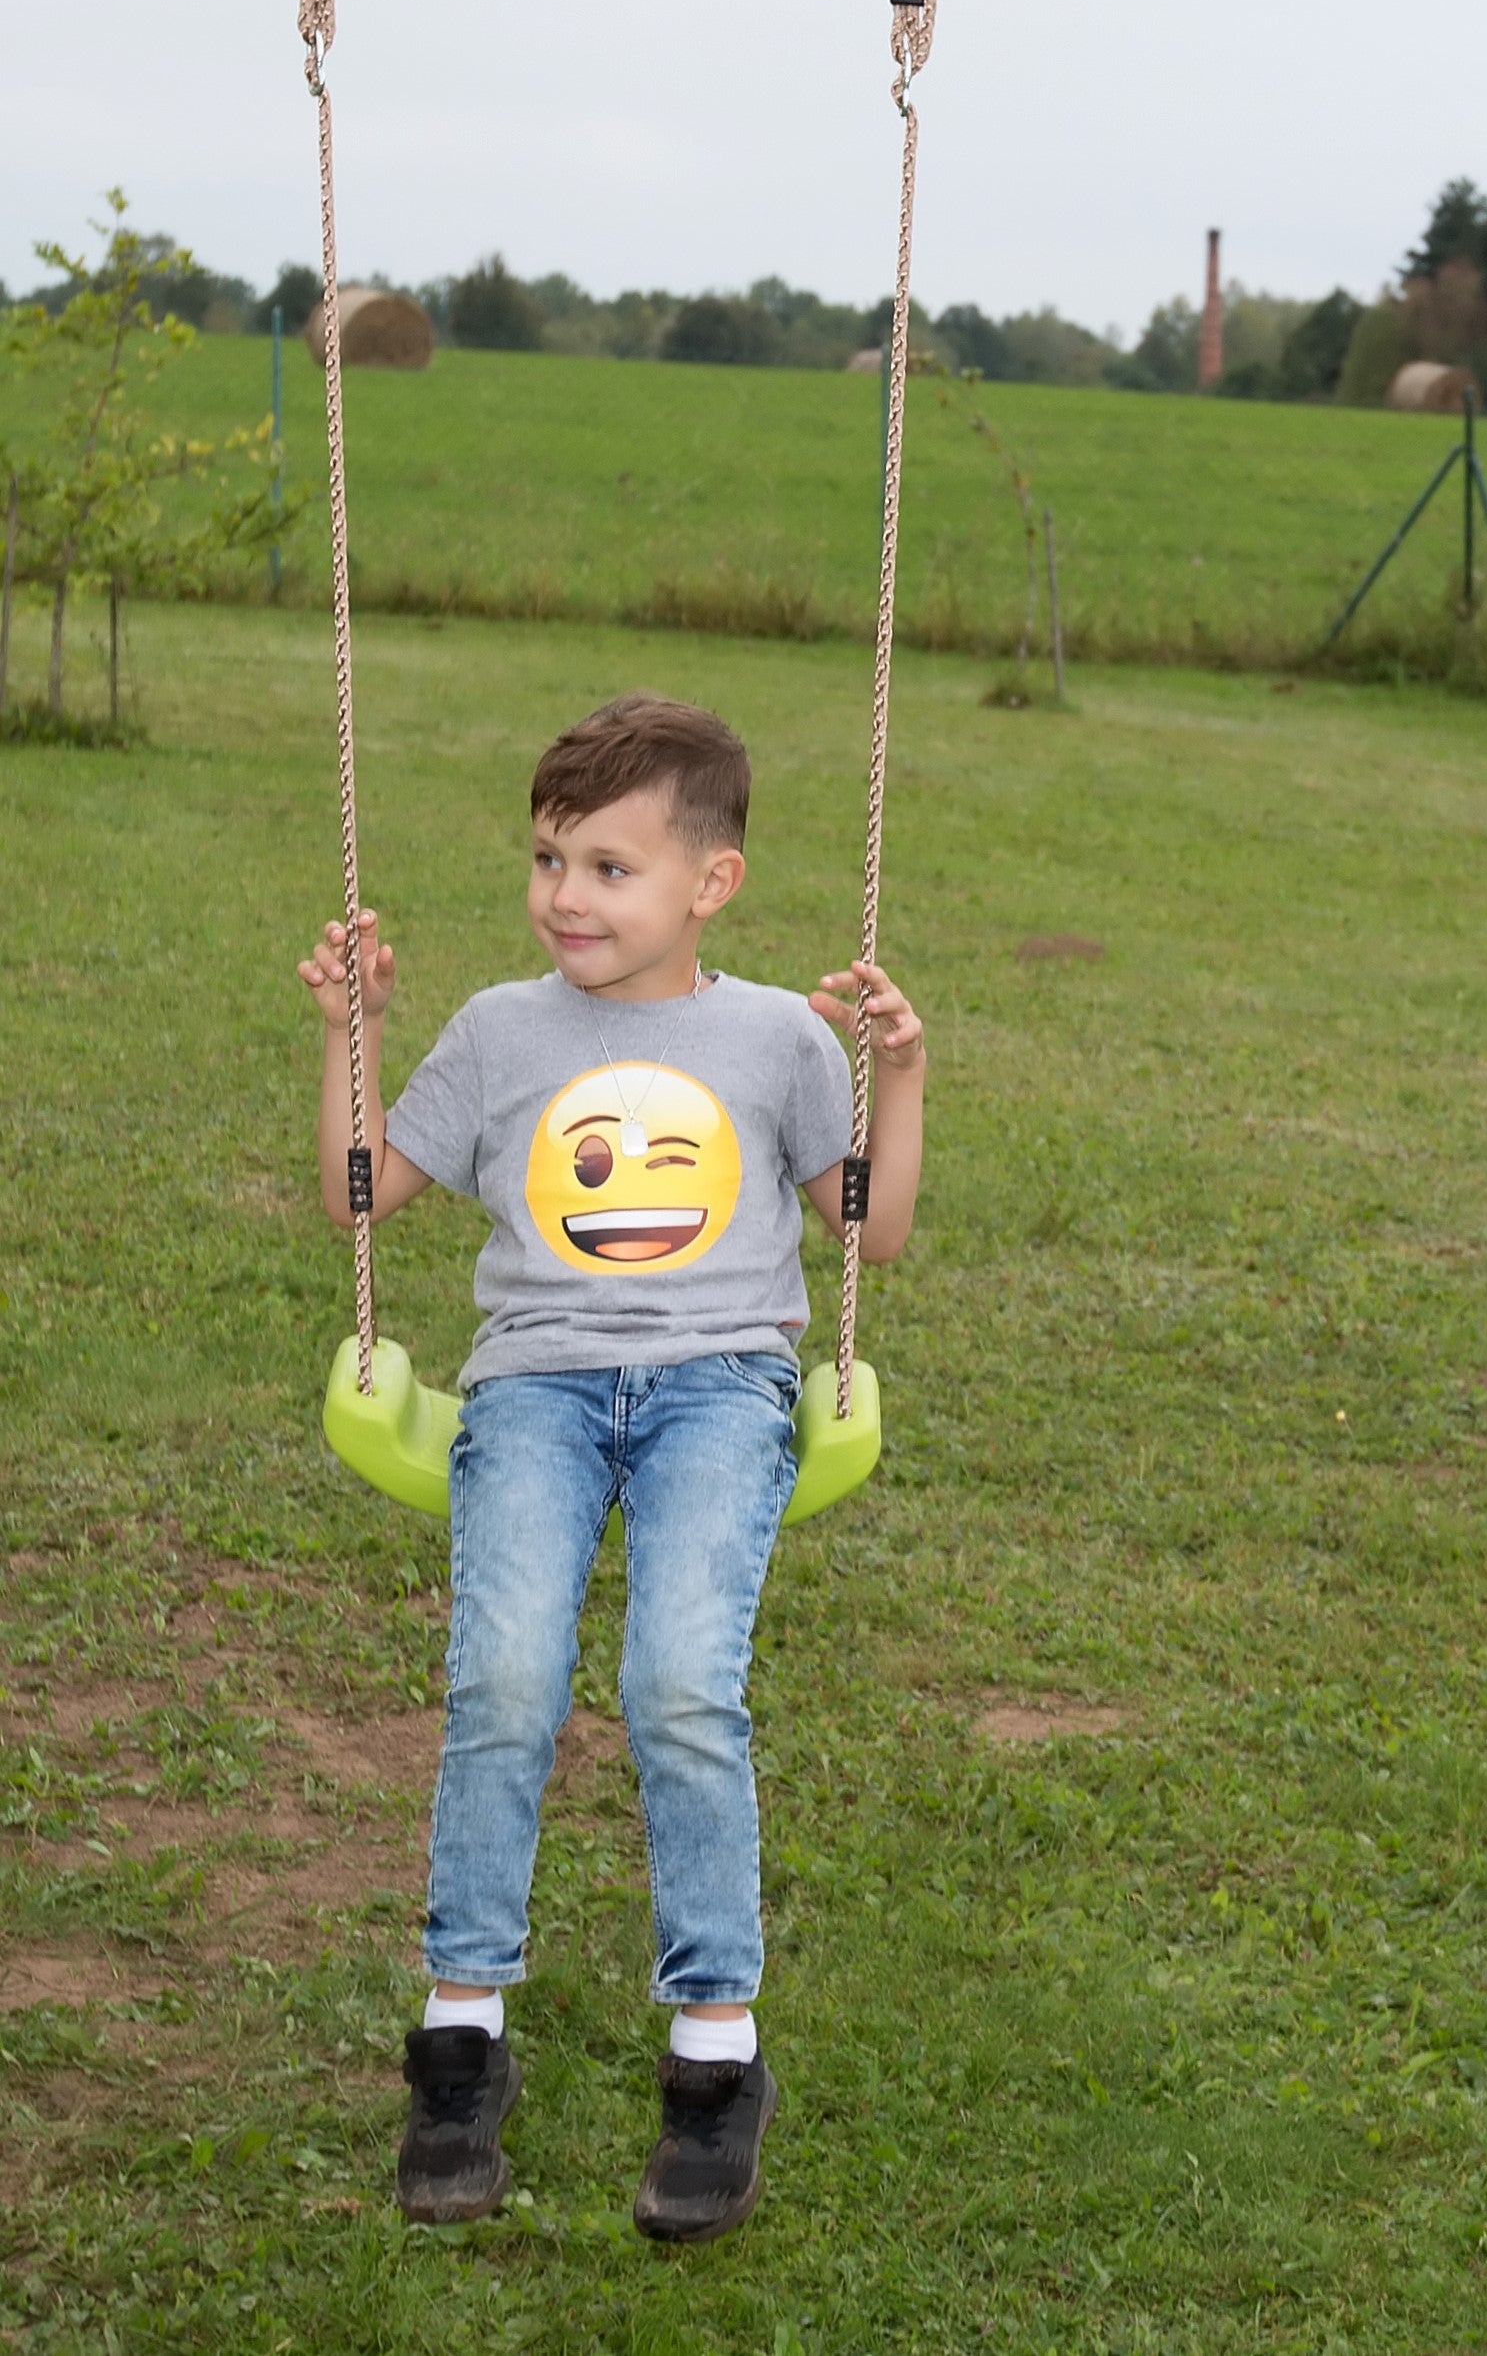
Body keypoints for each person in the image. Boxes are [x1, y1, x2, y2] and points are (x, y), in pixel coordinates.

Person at [296, 693, 925, 2240]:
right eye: (548, 860)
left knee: (677, 1686)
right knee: (505, 1676)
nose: (566, 897)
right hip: (539, 1391)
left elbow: (872, 1234)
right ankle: (462, 2043)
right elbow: (365, 1196)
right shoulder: (503, 1032)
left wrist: (897, 1077)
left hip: (723, 1388)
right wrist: (349, 1041)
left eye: (608, 868)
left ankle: (716, 2056)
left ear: (709, 883)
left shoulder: (779, 1034)